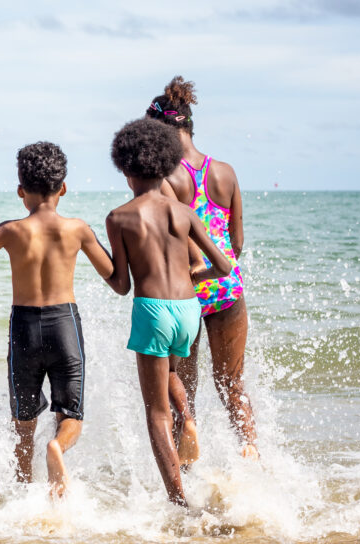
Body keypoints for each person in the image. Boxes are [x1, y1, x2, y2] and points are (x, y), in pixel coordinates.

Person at [0, 142, 113, 498]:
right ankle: (58, 447)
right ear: (63, 188)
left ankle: (23, 494)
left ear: (20, 191)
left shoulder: (8, 231)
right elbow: (116, 280)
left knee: (23, 425)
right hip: (65, 326)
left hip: (24, 329)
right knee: (71, 415)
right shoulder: (78, 229)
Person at [104, 118, 232, 506]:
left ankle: (179, 502)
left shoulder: (119, 217)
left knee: (155, 414)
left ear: (126, 172)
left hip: (153, 309)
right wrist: (195, 275)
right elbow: (224, 266)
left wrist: (98, 258)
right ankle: (189, 419)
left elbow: (123, 285)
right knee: (172, 373)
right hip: (189, 310)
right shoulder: (182, 212)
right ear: (165, 167)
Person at [149, 76, 259, 460]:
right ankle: (250, 451)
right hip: (228, 287)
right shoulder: (225, 171)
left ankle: (188, 468)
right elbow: (237, 242)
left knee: (182, 388)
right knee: (232, 384)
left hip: (188, 291)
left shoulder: (165, 179)